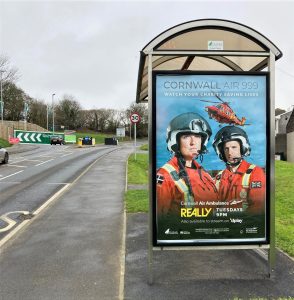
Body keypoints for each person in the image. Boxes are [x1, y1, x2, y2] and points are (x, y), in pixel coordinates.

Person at [156, 112, 218, 217]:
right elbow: (160, 220)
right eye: (186, 136)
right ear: (175, 141)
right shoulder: (164, 175)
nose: (193, 142)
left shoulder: (205, 174)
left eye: (198, 136)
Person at [212, 126, 266, 214]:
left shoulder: (255, 172)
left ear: (242, 148)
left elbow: (257, 207)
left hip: (245, 224)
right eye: (226, 149)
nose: (230, 153)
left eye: (234, 147)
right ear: (221, 152)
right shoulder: (219, 177)